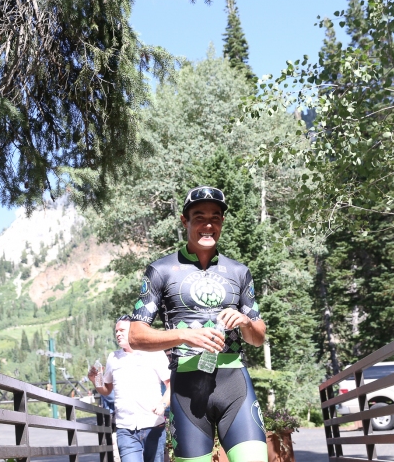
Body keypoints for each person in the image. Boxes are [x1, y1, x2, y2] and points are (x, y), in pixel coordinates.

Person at [129, 186, 268, 462]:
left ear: (222, 223)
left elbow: (258, 337)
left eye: (215, 218)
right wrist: (183, 336)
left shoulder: (240, 272)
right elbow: (135, 335)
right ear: (185, 221)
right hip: (186, 388)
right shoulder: (161, 270)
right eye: (199, 217)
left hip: (235, 383)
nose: (208, 225)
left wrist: (244, 322)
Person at [89, 316, 171, 462]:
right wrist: (95, 381)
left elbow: (171, 385)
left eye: (122, 330)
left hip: (153, 425)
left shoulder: (155, 353)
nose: (118, 334)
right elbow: (107, 389)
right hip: (125, 429)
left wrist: (163, 404)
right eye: (116, 331)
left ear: (134, 332)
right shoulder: (113, 357)